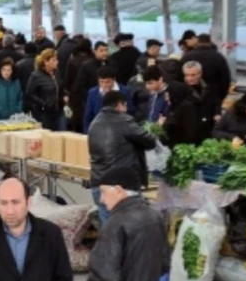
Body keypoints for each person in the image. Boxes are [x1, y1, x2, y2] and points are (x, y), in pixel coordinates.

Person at [87, 90, 156, 223]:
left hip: (99, 184)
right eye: (125, 106)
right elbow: (150, 141)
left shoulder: (94, 123)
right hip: (121, 187)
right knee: (130, 231)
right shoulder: (124, 120)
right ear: (120, 105)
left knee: (109, 232)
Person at [164, 62, 216, 147]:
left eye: (193, 75)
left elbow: (215, 101)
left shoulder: (208, 88)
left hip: (206, 127)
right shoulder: (179, 90)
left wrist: (217, 112)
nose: (189, 78)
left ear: (200, 74)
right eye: (187, 75)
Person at [181, 34, 231, 110]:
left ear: (197, 42)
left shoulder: (187, 56)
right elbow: (226, 79)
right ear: (210, 42)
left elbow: (181, 77)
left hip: (191, 95)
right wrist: (221, 97)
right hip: (214, 96)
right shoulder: (218, 57)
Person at [83, 67, 135, 133]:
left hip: (118, 129)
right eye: (101, 82)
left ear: (114, 80)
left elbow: (131, 111)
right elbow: (88, 116)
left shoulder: (124, 91)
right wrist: (87, 133)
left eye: (108, 82)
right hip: (98, 130)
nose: (104, 85)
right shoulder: (93, 92)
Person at [26, 49, 63, 132]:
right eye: (54, 60)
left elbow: (61, 86)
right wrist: (43, 104)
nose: (57, 62)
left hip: (59, 110)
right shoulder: (36, 75)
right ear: (46, 62)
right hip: (44, 113)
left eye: (57, 59)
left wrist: (65, 95)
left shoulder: (57, 73)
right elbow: (29, 93)